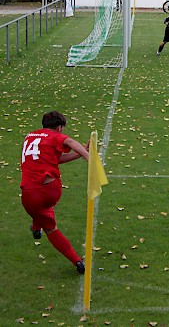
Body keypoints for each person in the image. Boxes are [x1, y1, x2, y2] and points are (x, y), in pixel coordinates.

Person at [20, 111, 91, 274]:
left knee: (38, 211)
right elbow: (70, 141)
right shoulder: (54, 136)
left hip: (29, 194)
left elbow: (53, 158)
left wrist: (79, 154)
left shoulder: (30, 137)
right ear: (59, 127)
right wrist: (88, 157)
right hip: (50, 191)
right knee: (48, 224)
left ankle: (37, 226)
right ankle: (78, 262)